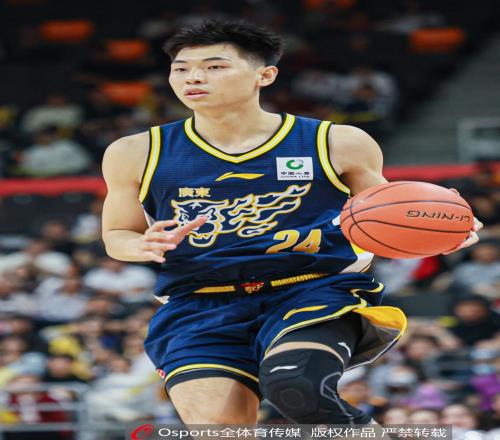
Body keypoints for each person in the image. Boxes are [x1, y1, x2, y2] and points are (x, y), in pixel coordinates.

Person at [101, 20, 481, 425]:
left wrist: (440, 229)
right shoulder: (135, 152)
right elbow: (117, 233)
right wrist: (141, 244)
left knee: (296, 387)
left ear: (265, 75)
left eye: (214, 67)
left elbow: (391, 213)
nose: (193, 77)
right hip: (199, 302)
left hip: (310, 290)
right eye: (181, 68)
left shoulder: (336, 142)